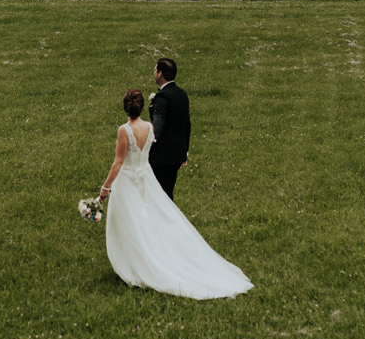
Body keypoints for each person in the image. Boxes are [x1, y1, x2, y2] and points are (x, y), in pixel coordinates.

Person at [97, 88, 251, 300]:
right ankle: (147, 254)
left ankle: (136, 263)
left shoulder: (124, 130)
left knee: (130, 221)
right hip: (146, 177)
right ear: (141, 107)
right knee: (148, 216)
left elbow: (119, 162)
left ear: (125, 108)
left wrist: (106, 186)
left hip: (129, 179)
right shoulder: (149, 127)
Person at [147, 58, 188, 200]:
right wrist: (185, 150)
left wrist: (149, 141)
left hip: (162, 156)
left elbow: (158, 122)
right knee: (167, 192)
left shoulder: (162, 97)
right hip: (177, 154)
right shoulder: (182, 94)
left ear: (160, 74)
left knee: (158, 195)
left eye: (155, 70)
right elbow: (186, 123)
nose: (154, 73)